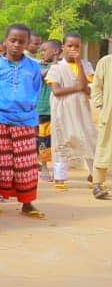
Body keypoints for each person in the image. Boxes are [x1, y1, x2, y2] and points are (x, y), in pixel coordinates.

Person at [0, 24, 45, 218]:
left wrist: (27, 111)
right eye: (13, 40)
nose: (16, 44)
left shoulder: (33, 67)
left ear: (27, 43)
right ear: (5, 41)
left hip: (25, 121)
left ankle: (27, 203)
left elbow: (35, 91)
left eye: (21, 41)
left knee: (26, 164)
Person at [47, 33, 97, 191]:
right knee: (62, 141)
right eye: (70, 46)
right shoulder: (56, 67)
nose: (73, 49)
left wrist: (78, 63)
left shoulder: (86, 65)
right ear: (63, 47)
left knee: (89, 138)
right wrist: (78, 88)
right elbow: (57, 91)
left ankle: (94, 175)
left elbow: (86, 86)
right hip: (62, 110)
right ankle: (60, 177)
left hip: (81, 109)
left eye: (77, 46)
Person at [36, 40, 61, 180]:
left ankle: (58, 170)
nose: (41, 53)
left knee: (59, 140)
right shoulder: (39, 66)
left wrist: (56, 64)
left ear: (55, 52)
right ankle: (44, 167)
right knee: (43, 140)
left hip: (60, 109)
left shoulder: (63, 66)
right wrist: (53, 65)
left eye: (44, 50)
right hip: (43, 108)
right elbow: (41, 75)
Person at [91, 52, 112, 199]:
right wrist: (101, 106)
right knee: (104, 146)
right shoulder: (106, 62)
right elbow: (96, 86)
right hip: (109, 113)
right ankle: (97, 184)